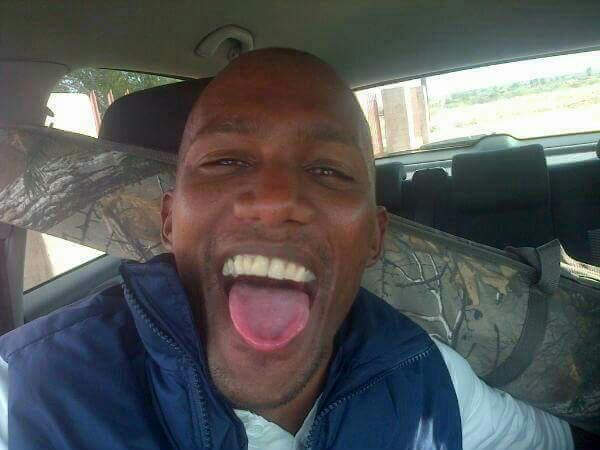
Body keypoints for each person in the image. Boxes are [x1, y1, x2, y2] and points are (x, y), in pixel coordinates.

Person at [0, 48, 573, 449]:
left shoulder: (427, 378)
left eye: (328, 170)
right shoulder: (30, 393)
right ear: (169, 220)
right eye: (227, 160)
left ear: (373, 237)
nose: (275, 201)